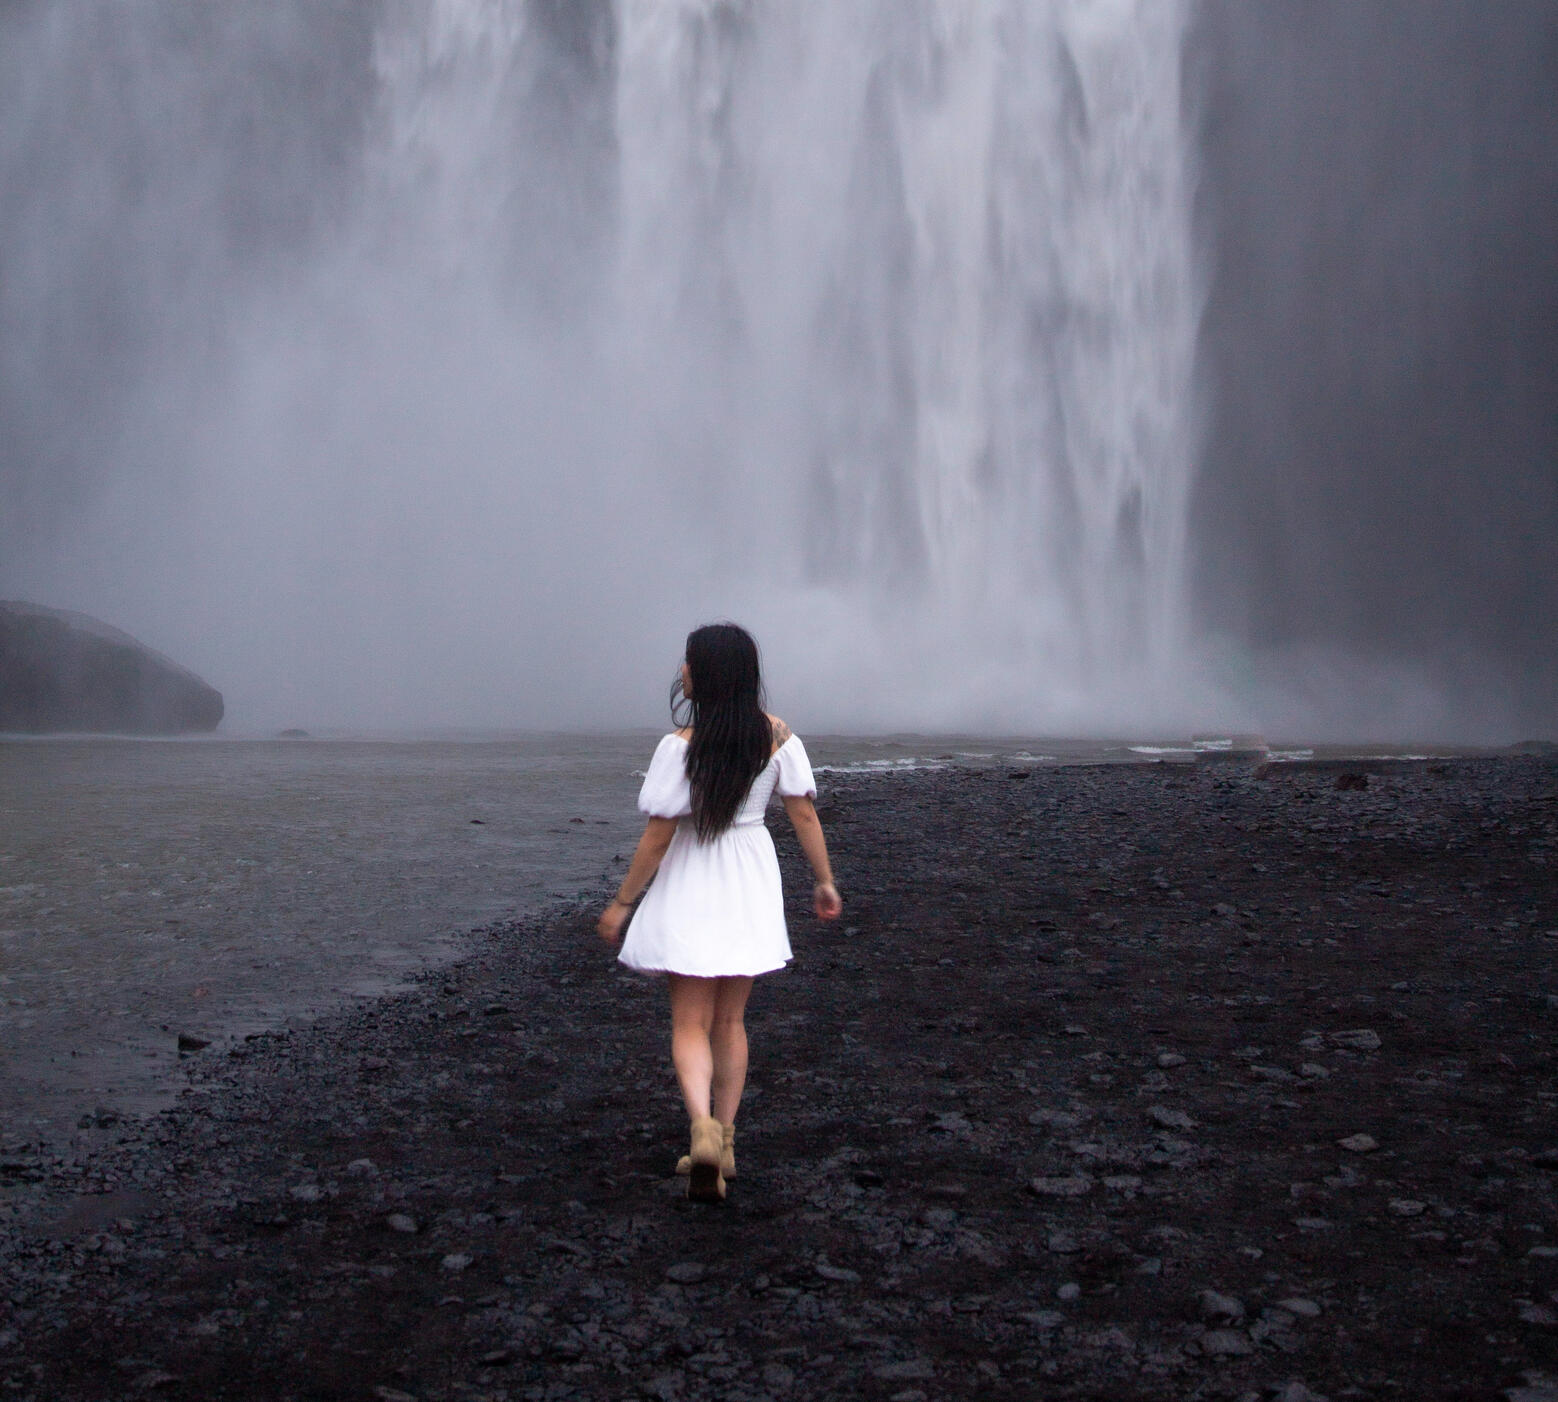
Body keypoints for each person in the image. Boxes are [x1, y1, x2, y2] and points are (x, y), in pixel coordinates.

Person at [596, 622, 842, 1202]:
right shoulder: (779, 738)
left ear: (704, 674)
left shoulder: (680, 745)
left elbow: (659, 835)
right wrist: (825, 881)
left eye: (687, 662)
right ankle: (726, 1143)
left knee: (689, 1023)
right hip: (750, 874)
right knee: (731, 1022)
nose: (680, 670)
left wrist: (622, 902)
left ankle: (700, 1131)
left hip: (693, 875)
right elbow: (803, 815)